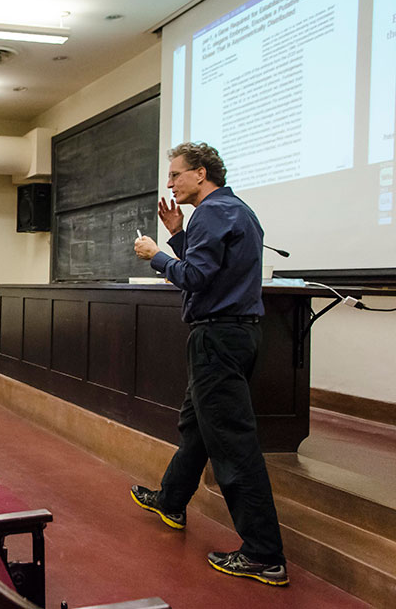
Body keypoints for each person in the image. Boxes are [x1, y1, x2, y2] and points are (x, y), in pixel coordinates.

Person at [131, 141, 287, 586]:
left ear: (201, 173)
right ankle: (171, 500)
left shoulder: (213, 212)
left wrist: (157, 255)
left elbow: (196, 277)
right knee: (197, 425)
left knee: (232, 445)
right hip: (235, 334)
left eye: (175, 174)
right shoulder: (236, 211)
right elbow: (217, 268)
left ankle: (264, 555)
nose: (169, 183)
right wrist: (179, 235)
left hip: (217, 337)